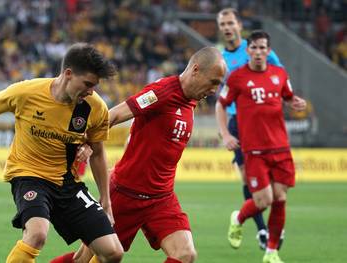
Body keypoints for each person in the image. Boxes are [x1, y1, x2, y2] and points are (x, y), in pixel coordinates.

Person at [0, 43, 124, 263]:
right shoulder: (27, 92)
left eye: (94, 86)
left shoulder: (95, 107)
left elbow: (97, 152)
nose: (91, 91)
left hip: (67, 183)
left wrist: (106, 199)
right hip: (29, 176)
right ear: (68, 74)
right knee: (37, 234)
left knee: (113, 253)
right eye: (87, 84)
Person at [51, 46, 227, 263]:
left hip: (162, 198)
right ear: (196, 70)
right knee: (84, 260)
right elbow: (113, 115)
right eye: (213, 82)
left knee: (185, 254)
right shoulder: (161, 93)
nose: (214, 90)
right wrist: (85, 142)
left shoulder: (191, 99)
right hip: (126, 195)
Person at [216, 30, 306, 263]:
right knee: (263, 201)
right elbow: (221, 105)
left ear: (268, 51)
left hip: (281, 148)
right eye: (254, 48)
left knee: (280, 198)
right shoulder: (237, 78)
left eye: (262, 48)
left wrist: (295, 102)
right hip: (254, 150)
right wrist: (225, 134)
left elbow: (288, 96)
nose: (258, 52)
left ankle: (271, 252)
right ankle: (238, 218)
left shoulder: (279, 73)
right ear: (248, 51)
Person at [216, 7, 284, 249]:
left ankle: (271, 224)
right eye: (222, 24)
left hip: (264, 125)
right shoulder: (221, 59)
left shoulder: (259, 49)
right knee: (247, 178)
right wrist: (224, 131)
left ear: (239, 24)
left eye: (229, 23)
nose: (226, 27)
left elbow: (280, 78)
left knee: (275, 182)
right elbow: (221, 97)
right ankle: (263, 231)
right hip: (237, 123)